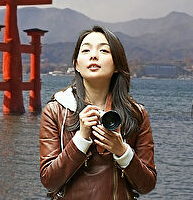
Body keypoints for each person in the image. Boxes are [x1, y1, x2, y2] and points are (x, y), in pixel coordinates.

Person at [39, 26, 156, 199]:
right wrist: (81, 138)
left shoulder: (136, 114)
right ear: (77, 65)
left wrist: (122, 151)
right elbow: (49, 180)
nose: (94, 55)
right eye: (85, 50)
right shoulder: (56, 110)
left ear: (117, 64)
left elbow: (147, 185)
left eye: (104, 50)